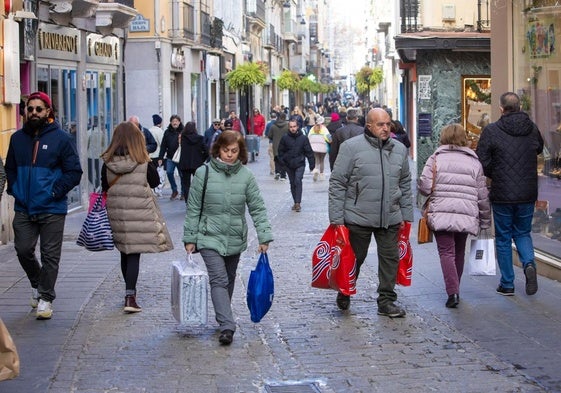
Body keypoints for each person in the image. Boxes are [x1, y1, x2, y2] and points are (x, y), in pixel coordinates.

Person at [183, 130, 273, 345]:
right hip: (208, 236)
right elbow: (193, 208)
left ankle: (222, 315)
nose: (229, 155)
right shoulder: (203, 173)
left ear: (240, 152)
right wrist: (190, 237)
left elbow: (257, 208)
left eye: (234, 151)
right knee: (219, 279)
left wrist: (264, 236)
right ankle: (227, 325)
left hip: (235, 237)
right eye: (225, 150)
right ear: (218, 149)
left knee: (229, 278)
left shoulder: (246, 176)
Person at [5, 91, 82, 320]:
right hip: (24, 206)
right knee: (23, 249)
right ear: (26, 111)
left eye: (39, 109)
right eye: (30, 109)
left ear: (48, 111)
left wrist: (54, 191)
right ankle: (37, 283)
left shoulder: (62, 138)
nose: (34, 113)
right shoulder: (17, 139)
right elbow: (9, 167)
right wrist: (14, 190)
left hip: (51, 207)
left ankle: (46, 299)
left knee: (50, 256)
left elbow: (74, 172)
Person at [328, 108, 413, 316]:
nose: (385, 128)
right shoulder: (350, 148)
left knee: (390, 258)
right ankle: (345, 289)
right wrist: (337, 219)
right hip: (358, 216)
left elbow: (405, 183)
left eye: (388, 124)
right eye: (380, 125)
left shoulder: (399, 150)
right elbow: (338, 183)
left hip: (390, 216)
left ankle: (386, 300)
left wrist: (406, 215)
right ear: (369, 126)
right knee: (356, 258)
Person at [476, 92, 544, 296]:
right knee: (523, 232)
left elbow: (482, 160)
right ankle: (529, 264)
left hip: (503, 193)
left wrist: (495, 173)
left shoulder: (491, 130)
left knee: (504, 237)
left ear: (501, 108)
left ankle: (507, 283)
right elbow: (539, 149)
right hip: (527, 192)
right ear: (520, 106)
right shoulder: (531, 128)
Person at [101, 122, 173, 313]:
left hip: (117, 212)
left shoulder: (108, 162)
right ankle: (130, 296)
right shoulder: (143, 162)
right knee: (133, 253)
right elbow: (155, 182)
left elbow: (104, 186)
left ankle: (129, 291)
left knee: (124, 251)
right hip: (139, 211)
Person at [418, 124, 491, 308]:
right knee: (459, 251)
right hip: (466, 213)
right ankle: (455, 289)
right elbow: (482, 195)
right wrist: (485, 220)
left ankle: (453, 292)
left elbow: (425, 187)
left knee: (446, 252)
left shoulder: (435, 159)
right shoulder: (474, 162)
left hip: (441, 212)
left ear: (443, 138)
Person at [277, 119, 315, 212]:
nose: (293, 128)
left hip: (300, 163)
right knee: (292, 183)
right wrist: (282, 163)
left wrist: (312, 164)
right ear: (288, 127)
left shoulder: (303, 138)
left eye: (294, 126)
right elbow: (280, 151)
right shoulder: (285, 138)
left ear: (297, 127)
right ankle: (295, 201)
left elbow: (309, 152)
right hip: (289, 164)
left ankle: (298, 203)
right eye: (291, 127)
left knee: (298, 181)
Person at [178, 121, 209, 203]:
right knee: (198, 184)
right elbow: (207, 151)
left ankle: (188, 202)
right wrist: (201, 159)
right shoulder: (200, 138)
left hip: (185, 164)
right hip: (197, 164)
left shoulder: (183, 138)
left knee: (186, 185)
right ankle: (197, 200)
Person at [158, 115, 183, 200]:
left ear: (179, 122)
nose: (175, 123)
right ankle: (174, 190)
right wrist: (160, 157)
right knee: (169, 172)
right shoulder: (167, 132)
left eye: (176, 121)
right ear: (171, 122)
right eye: (173, 121)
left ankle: (183, 192)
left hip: (181, 157)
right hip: (170, 157)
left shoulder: (183, 131)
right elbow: (163, 146)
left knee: (182, 175)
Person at [308, 116, 331, 181]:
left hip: (314, 147)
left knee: (316, 159)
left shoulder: (312, 128)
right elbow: (328, 138)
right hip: (322, 147)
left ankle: (316, 170)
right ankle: (321, 174)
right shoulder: (324, 129)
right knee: (322, 160)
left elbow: (309, 136)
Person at [268, 112, 289, 181]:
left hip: (276, 145)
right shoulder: (287, 126)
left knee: (276, 159)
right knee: (283, 160)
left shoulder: (273, 126)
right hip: (285, 146)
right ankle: (283, 175)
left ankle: (277, 172)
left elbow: (269, 136)